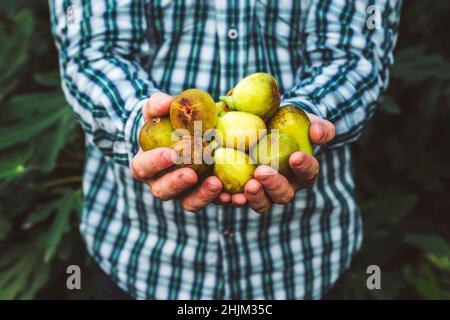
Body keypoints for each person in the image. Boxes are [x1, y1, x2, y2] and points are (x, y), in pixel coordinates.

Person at [50, 0, 401, 299]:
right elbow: (93, 51)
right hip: (141, 257)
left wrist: (303, 119)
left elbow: (356, 55)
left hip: (302, 260)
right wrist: (143, 127)